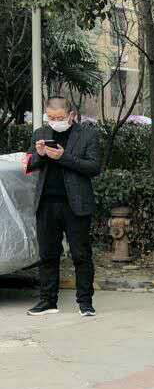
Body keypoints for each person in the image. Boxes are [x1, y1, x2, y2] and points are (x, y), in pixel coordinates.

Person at [26, 96, 101, 317]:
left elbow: (94, 167)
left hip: (76, 204)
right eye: (50, 117)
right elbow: (29, 164)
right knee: (47, 255)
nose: (55, 121)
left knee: (81, 255)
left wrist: (63, 157)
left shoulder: (87, 135)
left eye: (59, 118)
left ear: (71, 115)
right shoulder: (40, 133)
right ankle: (47, 301)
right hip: (46, 203)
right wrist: (40, 155)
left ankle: (85, 303)